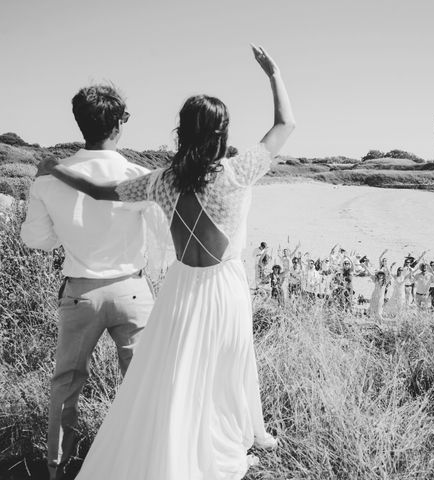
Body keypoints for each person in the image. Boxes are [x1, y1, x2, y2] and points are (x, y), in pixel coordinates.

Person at [37, 44, 295, 479]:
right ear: (222, 133)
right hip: (225, 285)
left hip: (181, 287)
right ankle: (222, 444)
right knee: (225, 367)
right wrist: (273, 73)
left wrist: (56, 170)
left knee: (179, 375)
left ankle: (178, 445)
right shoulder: (238, 171)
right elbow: (285, 123)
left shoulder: (161, 181)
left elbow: (102, 193)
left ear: (182, 131)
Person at [21, 84, 157, 480]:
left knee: (66, 384)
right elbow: (162, 235)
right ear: (118, 124)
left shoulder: (49, 180)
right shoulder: (137, 175)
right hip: (133, 288)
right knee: (142, 382)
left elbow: (37, 240)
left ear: (80, 123)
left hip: (80, 291)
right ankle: (143, 462)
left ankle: (58, 468)